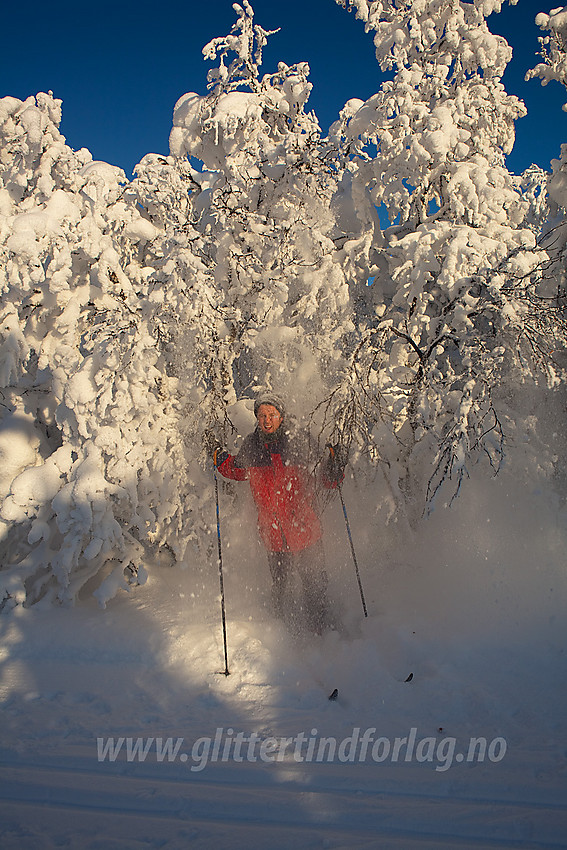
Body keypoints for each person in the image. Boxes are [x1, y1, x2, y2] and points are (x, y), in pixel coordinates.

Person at [206, 395, 345, 634]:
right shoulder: (252, 446)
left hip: (306, 532)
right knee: (281, 588)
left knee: (314, 586)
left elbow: (328, 481)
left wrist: (334, 464)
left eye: (272, 415)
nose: (267, 420)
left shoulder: (301, 441)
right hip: (274, 536)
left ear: (281, 416)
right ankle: (284, 638)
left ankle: (321, 635)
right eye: (262, 416)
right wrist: (218, 455)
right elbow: (236, 470)